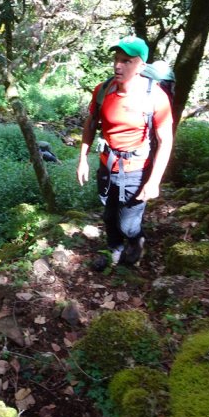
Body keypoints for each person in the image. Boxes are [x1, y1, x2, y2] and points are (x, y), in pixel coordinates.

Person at [76, 36, 173, 265]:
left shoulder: (155, 96)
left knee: (128, 224)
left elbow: (165, 141)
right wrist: (83, 159)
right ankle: (115, 249)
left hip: (136, 171)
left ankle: (136, 241)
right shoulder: (103, 90)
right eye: (117, 59)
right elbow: (91, 124)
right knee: (109, 215)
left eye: (127, 61)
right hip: (107, 165)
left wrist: (154, 181)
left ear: (141, 65)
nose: (118, 66)